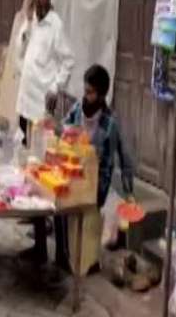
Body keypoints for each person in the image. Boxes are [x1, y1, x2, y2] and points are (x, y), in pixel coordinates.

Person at [14, 0, 75, 264]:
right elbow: (18, 57)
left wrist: (55, 87)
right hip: (25, 109)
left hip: (42, 113)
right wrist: (26, 24)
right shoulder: (31, 21)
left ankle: (60, 253)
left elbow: (68, 61)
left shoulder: (55, 25)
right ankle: (39, 246)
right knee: (31, 177)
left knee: (47, 181)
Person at [51, 65, 135, 270]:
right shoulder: (79, 108)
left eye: (90, 92)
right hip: (74, 171)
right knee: (59, 205)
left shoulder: (111, 122)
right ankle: (64, 257)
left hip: (97, 180)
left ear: (101, 94)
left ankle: (86, 260)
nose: (86, 95)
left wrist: (129, 191)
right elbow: (63, 126)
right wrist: (58, 128)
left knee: (83, 215)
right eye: (85, 90)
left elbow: (125, 156)